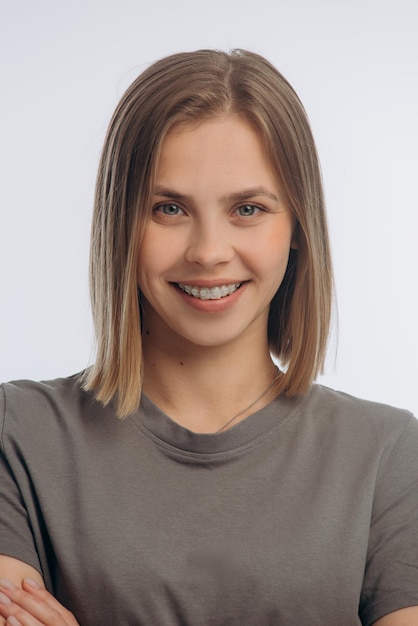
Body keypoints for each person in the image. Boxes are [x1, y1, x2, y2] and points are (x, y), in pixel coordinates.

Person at [0, 49, 417, 626]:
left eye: (247, 208)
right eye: (169, 208)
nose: (208, 251)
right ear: (121, 223)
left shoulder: (391, 455)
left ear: (296, 226)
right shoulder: (16, 433)